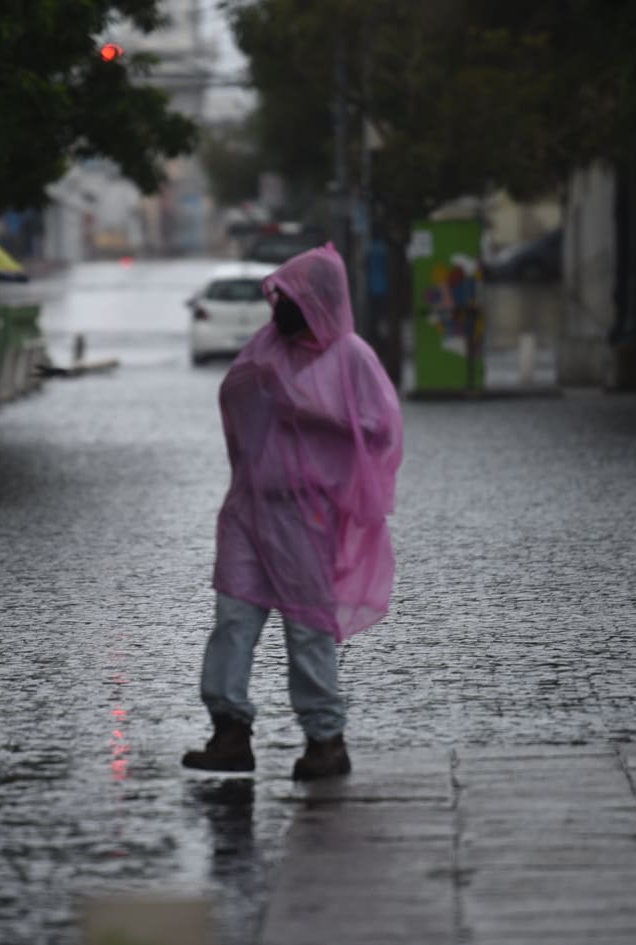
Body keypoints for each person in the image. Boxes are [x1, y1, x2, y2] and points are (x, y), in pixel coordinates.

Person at [181, 244, 404, 781]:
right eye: (278, 297)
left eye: (291, 298)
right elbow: (237, 391)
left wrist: (313, 412)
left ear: (320, 301)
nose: (279, 308)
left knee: (307, 625)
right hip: (250, 508)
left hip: (311, 514)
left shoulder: (351, 356)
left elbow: (380, 427)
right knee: (233, 617)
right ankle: (229, 730)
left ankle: (325, 739)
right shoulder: (269, 346)